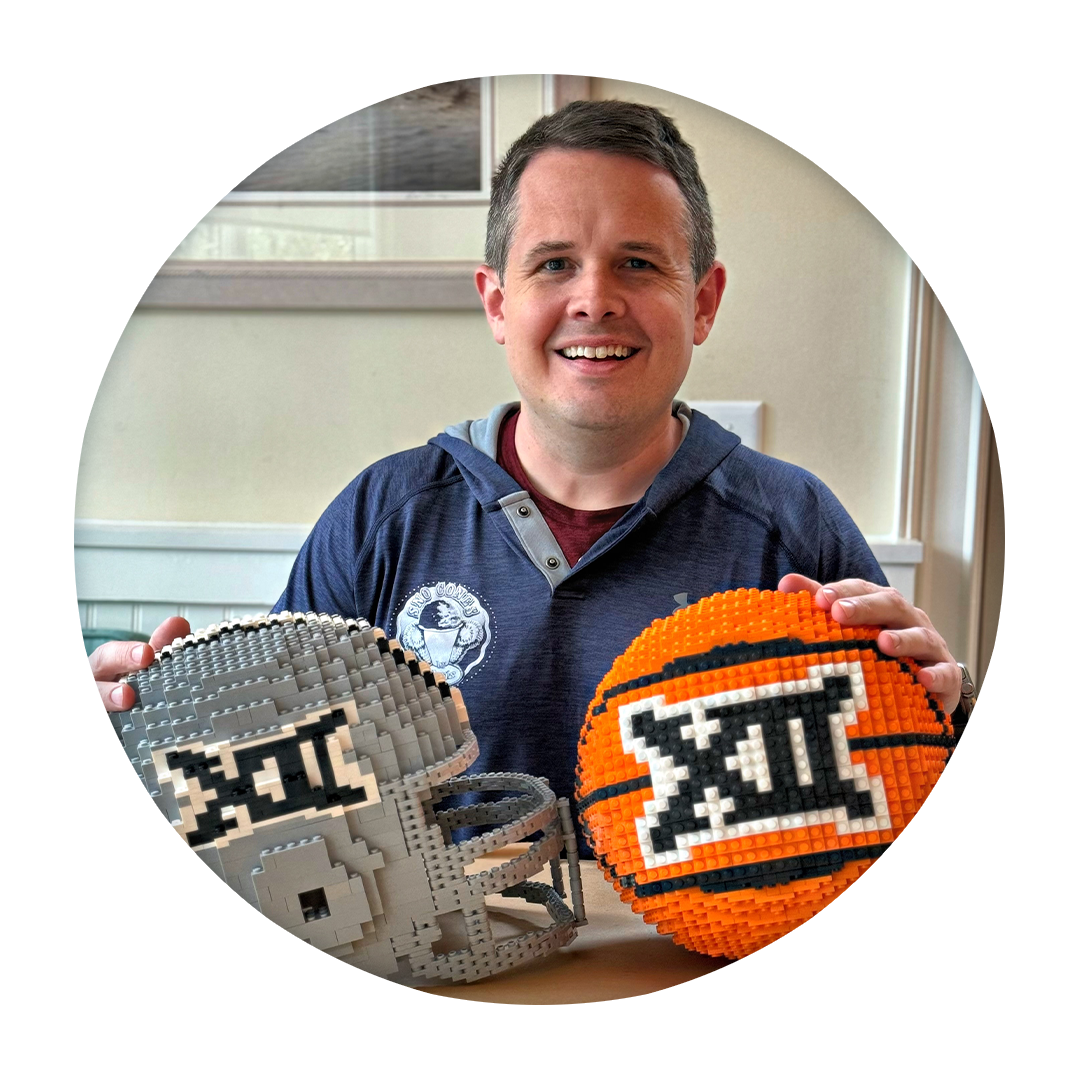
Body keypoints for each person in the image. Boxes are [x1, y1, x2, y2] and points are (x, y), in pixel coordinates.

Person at [92, 100, 964, 809]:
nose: (595, 299)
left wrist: (946, 719)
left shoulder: (793, 527)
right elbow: (264, 779)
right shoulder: (381, 517)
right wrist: (126, 736)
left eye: (638, 263)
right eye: (553, 264)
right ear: (497, 303)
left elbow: (897, 799)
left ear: (703, 302)